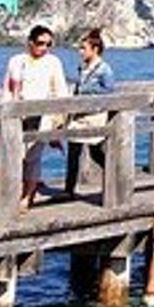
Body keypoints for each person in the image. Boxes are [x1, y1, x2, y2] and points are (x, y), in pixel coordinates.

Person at [2, 25, 67, 208]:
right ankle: (13, 193)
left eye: (48, 44)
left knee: (33, 157)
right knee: (15, 155)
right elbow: (7, 87)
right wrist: (6, 111)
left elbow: (60, 90)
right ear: (30, 42)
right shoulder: (16, 61)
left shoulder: (53, 62)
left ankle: (27, 197)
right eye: (40, 43)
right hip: (17, 115)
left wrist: (58, 117)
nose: (44, 48)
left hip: (42, 114)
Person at [65, 28, 115, 196]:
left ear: (95, 49)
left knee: (95, 152)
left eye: (83, 48)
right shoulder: (83, 67)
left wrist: (87, 90)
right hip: (78, 115)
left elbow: (109, 90)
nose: (80, 52)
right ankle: (69, 190)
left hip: (94, 115)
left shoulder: (104, 68)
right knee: (73, 153)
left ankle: (114, 178)